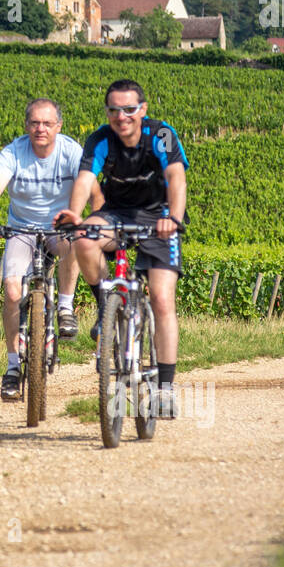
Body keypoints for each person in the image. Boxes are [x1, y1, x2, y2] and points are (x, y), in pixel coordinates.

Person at [54, 79, 188, 418]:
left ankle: (166, 389)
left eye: (129, 109)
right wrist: (75, 213)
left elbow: (176, 176)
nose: (121, 116)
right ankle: (106, 307)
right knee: (84, 239)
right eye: (114, 110)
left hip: (159, 218)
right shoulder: (100, 139)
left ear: (142, 109)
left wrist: (173, 216)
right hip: (115, 215)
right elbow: (85, 179)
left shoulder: (161, 134)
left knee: (160, 298)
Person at [0, 98, 99, 401]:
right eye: (34, 123)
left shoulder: (71, 152)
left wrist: (92, 221)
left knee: (73, 240)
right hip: (21, 229)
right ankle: (13, 366)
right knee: (13, 290)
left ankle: (65, 307)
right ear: (26, 125)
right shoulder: (13, 153)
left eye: (47, 123)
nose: (40, 129)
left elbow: (95, 192)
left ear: (59, 126)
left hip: (59, 225)